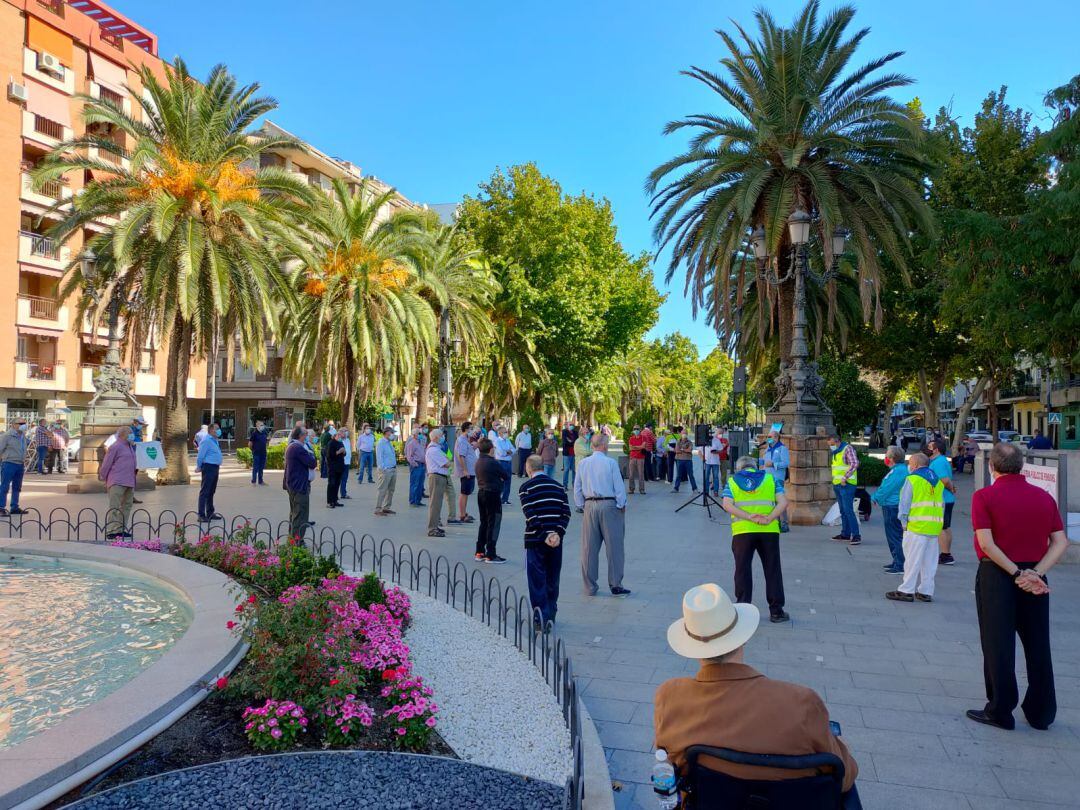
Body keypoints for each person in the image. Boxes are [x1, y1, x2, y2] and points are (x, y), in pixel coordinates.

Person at [654, 584, 861, 809]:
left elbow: (670, 764)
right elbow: (844, 776)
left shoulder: (671, 697)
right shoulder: (802, 702)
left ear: (692, 646)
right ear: (742, 638)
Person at [967, 441, 1067, 731]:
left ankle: (1000, 709)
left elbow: (987, 543)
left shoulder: (984, 497)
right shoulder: (1043, 498)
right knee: (1038, 644)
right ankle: (1041, 712)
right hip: (1036, 577)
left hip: (998, 575)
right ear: (1021, 465)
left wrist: (1016, 573)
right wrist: (1035, 573)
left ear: (991, 466)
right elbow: (1060, 541)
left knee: (998, 644)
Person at [722, 456, 789, 623]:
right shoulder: (771, 479)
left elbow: (727, 505)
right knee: (772, 569)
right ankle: (776, 611)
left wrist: (748, 517)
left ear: (739, 468)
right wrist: (769, 518)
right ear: (754, 467)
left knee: (742, 569)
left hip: (742, 531)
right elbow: (783, 503)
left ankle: (743, 609)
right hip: (769, 531)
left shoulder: (732, 481)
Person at [574, 432, 630, 597]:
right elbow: (618, 486)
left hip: (590, 505)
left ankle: (589, 586)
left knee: (589, 548)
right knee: (614, 547)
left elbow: (577, 487)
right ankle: (615, 584)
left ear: (592, 445)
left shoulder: (583, 463)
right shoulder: (610, 463)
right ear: (605, 446)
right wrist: (622, 504)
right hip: (609, 504)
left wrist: (581, 505)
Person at [519, 454, 571, 628]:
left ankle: (541, 616)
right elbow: (566, 514)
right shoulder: (559, 487)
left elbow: (531, 515)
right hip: (556, 542)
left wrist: (544, 535)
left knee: (536, 579)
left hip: (535, 540)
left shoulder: (526, 488)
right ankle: (551, 612)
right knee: (552, 577)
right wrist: (557, 534)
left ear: (529, 468)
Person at [885, 452, 943, 603]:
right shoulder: (937, 481)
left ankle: (906, 590)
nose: (908, 466)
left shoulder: (912, 479)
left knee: (912, 560)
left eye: (910, 463)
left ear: (916, 465)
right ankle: (925, 591)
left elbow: (904, 504)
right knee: (929, 562)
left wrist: (904, 525)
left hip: (916, 526)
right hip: (934, 527)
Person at [871, 447, 909, 574]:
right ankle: (897, 561)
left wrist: (875, 497)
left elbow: (887, 488)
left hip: (892, 506)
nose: (885, 457)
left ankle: (900, 564)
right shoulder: (900, 470)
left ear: (892, 458)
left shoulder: (897, 472)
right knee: (894, 535)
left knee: (894, 536)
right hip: (893, 505)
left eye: (887, 455)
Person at [474, 438, 510, 563]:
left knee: (484, 522)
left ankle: (479, 551)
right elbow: (505, 475)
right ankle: (491, 553)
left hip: (481, 492)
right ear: (491, 449)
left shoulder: (479, 461)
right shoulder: (492, 462)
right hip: (492, 494)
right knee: (493, 523)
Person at [99, 426, 137, 539]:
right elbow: (107, 463)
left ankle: (120, 529)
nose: (132, 435)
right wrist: (103, 476)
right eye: (130, 433)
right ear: (122, 435)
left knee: (127, 506)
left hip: (130, 481)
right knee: (114, 506)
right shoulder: (115, 446)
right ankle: (111, 530)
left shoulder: (130, 446)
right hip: (117, 481)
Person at [927, 440, 958, 566]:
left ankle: (946, 555)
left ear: (936, 450)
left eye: (929, 447)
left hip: (943, 499)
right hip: (946, 499)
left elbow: (944, 480)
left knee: (941, 527)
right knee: (945, 526)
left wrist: (951, 488)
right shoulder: (939, 461)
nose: (927, 448)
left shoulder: (939, 462)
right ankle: (946, 554)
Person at [828, 432, 861, 546]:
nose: (830, 445)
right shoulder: (836, 451)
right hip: (838, 484)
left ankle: (856, 535)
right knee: (843, 511)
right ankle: (845, 534)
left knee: (848, 510)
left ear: (837, 441)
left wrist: (845, 477)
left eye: (831, 443)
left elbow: (855, 463)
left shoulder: (847, 448)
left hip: (847, 484)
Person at [284, 426, 317, 538]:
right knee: (300, 515)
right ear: (301, 436)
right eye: (306, 434)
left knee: (295, 513)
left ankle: (292, 539)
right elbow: (312, 463)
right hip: (299, 486)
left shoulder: (293, 446)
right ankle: (297, 542)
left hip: (294, 485)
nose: (307, 436)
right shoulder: (298, 448)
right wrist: (311, 452)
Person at [425, 428, 451, 536]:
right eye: (441, 435)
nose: (443, 437)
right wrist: (448, 461)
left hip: (440, 477)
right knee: (435, 504)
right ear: (436, 438)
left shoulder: (436, 448)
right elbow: (446, 463)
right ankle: (432, 529)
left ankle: (435, 526)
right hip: (436, 477)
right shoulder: (433, 450)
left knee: (437, 504)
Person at [0, 418, 28, 516]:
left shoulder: (23, 435)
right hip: (9, 463)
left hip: (20, 464)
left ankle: (14, 507)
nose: (23, 425)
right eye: (20, 423)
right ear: (13, 425)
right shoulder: (6, 436)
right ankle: (1, 508)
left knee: (17, 487)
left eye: (24, 423)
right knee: (4, 486)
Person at [195, 423, 223, 522]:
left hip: (215, 467)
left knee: (211, 491)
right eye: (217, 428)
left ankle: (210, 512)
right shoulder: (206, 441)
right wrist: (198, 466)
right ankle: (201, 515)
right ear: (211, 430)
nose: (219, 430)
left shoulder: (214, 440)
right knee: (205, 491)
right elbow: (200, 456)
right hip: (208, 467)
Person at [454, 421, 477, 522]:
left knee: (467, 493)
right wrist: (465, 470)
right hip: (466, 472)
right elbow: (461, 456)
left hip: (470, 471)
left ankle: (464, 512)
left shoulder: (466, 440)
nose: (473, 431)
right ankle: (462, 515)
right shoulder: (462, 440)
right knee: (464, 493)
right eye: (471, 428)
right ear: (466, 429)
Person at [374, 426, 398, 516]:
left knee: (391, 490)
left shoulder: (389, 443)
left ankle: (386, 507)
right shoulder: (381, 443)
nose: (393, 435)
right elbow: (379, 457)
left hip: (393, 468)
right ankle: (378, 509)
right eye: (391, 433)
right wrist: (383, 469)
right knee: (382, 490)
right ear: (387, 432)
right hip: (386, 470)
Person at [405, 426, 426, 507]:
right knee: (415, 483)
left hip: (422, 465)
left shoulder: (420, 443)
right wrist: (415, 464)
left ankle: (418, 500)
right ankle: (413, 501)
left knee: (420, 484)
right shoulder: (411, 443)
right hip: (416, 465)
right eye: (419, 433)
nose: (420, 435)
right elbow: (409, 456)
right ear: (414, 435)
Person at [324, 427, 346, 508]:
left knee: (337, 484)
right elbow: (329, 455)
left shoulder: (340, 443)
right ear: (335, 435)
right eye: (339, 435)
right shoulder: (331, 443)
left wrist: (344, 452)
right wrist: (339, 452)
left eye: (341, 435)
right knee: (331, 484)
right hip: (332, 468)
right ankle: (330, 502)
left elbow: (344, 453)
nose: (340, 436)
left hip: (340, 467)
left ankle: (335, 500)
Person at [494, 427, 515, 504]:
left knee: (508, 481)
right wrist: (508, 452)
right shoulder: (497, 441)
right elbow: (500, 453)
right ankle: (497, 498)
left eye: (506, 432)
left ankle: (505, 499)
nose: (506, 433)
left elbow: (514, 450)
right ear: (499, 433)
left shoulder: (508, 440)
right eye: (504, 432)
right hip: (501, 462)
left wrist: (507, 452)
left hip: (508, 462)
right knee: (500, 481)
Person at [249, 419, 269, 486]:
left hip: (263, 453)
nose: (262, 426)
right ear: (257, 426)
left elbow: (266, 442)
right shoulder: (254, 433)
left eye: (263, 425)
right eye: (261, 425)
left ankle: (260, 481)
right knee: (256, 467)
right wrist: (253, 450)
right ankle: (254, 481)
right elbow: (250, 443)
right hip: (256, 453)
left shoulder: (264, 432)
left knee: (261, 467)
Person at [627, 426, 646, 494]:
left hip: (640, 458)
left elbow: (643, 446)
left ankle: (642, 489)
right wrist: (639, 447)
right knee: (631, 474)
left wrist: (634, 447)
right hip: (632, 458)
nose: (636, 430)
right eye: (634, 429)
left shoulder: (643, 437)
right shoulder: (631, 438)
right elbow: (630, 448)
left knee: (641, 474)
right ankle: (631, 489)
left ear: (640, 430)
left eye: (637, 429)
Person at [560, 422, 579, 488]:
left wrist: (570, 441)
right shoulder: (564, 432)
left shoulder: (576, 432)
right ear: (567, 425)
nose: (571, 426)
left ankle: (574, 484)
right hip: (567, 453)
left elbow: (576, 442)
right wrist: (571, 442)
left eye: (572, 425)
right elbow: (565, 441)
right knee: (566, 469)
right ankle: (565, 485)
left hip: (574, 453)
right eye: (570, 425)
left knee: (574, 469)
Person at [337, 426, 352, 500]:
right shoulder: (338, 441)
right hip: (341, 462)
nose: (346, 432)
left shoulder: (348, 440)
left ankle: (343, 493)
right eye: (344, 431)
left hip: (347, 462)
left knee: (345, 479)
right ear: (340, 432)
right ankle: (336, 494)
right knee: (339, 479)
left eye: (346, 431)